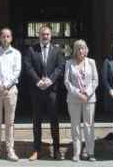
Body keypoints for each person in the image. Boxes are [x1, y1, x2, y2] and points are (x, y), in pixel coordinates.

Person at [24, 24, 65, 161]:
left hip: (51, 91)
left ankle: (57, 150)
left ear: (51, 36)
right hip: (36, 91)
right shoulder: (31, 50)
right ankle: (36, 150)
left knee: (54, 121)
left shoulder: (57, 51)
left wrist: (50, 80)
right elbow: (28, 67)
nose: (45, 36)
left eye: (47, 34)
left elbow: (60, 67)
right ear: (39, 35)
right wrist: (38, 81)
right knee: (37, 121)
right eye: (43, 34)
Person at [0, 27, 22, 162]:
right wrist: (0, 85)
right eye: (3, 36)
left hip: (11, 90)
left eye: (8, 36)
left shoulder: (16, 54)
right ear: (0, 38)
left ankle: (10, 150)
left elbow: (17, 71)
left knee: (10, 122)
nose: (6, 39)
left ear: (11, 38)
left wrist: (6, 85)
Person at [65, 39, 99, 161]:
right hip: (74, 99)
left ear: (86, 50)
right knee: (75, 126)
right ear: (75, 50)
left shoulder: (91, 62)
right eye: (78, 48)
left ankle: (90, 152)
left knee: (89, 125)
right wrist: (78, 93)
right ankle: (76, 152)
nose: (81, 50)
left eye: (83, 48)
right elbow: (67, 81)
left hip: (89, 98)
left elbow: (95, 80)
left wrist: (87, 92)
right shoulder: (69, 63)